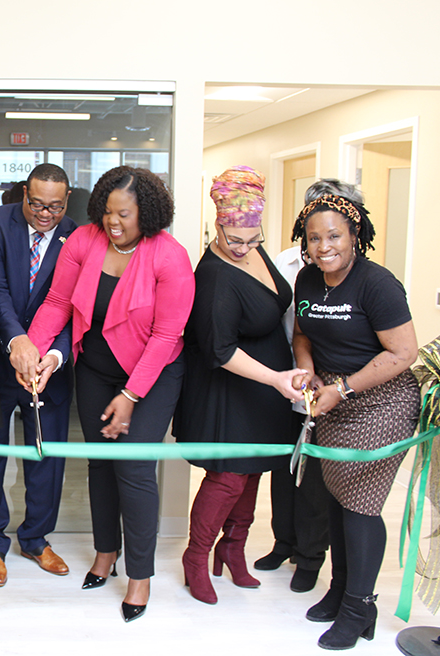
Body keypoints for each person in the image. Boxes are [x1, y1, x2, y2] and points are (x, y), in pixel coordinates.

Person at [27, 166, 194, 622]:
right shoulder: (84, 240)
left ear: (150, 214)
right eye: (107, 212)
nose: (113, 222)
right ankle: (106, 553)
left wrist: (131, 394)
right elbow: (58, 303)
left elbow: (166, 335)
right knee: (99, 463)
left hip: (152, 375)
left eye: (124, 214)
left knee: (134, 469)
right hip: (97, 368)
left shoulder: (169, 256)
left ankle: (139, 575)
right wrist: (34, 352)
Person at [290, 192, 418, 650]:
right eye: (314, 238)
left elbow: (404, 353)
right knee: (339, 499)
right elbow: (302, 333)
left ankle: (359, 606)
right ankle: (342, 591)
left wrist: (342, 388)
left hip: (383, 401)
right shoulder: (307, 279)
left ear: (354, 234)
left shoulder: (377, 285)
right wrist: (306, 369)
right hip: (331, 397)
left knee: (361, 503)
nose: (324, 246)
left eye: (334, 236)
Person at [173, 166, 304, 606]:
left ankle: (232, 551)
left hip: (264, 390)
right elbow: (220, 350)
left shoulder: (253, 252)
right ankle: (197, 556)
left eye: (254, 239)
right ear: (218, 224)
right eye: (235, 239)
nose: (245, 247)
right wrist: (277, 379)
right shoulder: (214, 277)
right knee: (228, 478)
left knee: (252, 475)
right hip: (229, 392)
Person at [0, 163, 77, 587]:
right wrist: (18, 344)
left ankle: (35, 538)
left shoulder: (79, 234)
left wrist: (51, 356)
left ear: (66, 202)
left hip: (48, 370)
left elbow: (75, 306)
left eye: (55, 206)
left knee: (45, 457)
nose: (45, 213)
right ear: (23, 196)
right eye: (36, 204)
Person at [256, 182, 359, 593]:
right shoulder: (285, 261)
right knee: (284, 471)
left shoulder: (356, 273)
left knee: (314, 479)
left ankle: (311, 556)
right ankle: (284, 541)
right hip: (287, 378)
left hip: (330, 388)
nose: (323, 240)